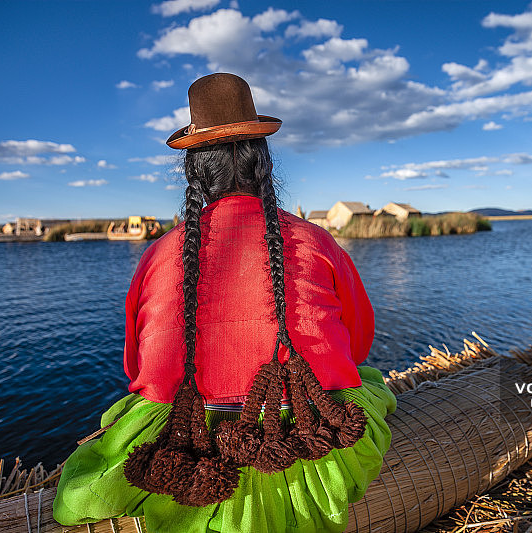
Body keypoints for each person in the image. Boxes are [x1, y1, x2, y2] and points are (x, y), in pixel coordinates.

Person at [54, 73, 396, 533]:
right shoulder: (316, 241)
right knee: (370, 381)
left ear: (194, 170)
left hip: (190, 445)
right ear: (263, 162)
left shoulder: (159, 253)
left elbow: (138, 370)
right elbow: (357, 345)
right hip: (310, 441)